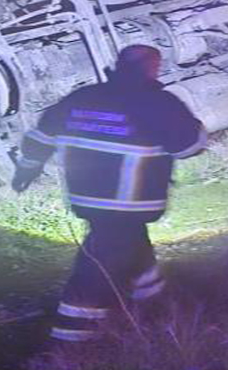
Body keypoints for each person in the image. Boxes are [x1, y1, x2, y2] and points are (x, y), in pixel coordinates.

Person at [11, 45, 207, 343]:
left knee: (135, 249)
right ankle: (71, 341)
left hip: (88, 199)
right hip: (128, 203)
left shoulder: (83, 97)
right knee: (96, 269)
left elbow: (42, 135)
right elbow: (189, 147)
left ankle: (158, 311)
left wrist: (27, 168)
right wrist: (198, 128)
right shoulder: (158, 103)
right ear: (152, 68)